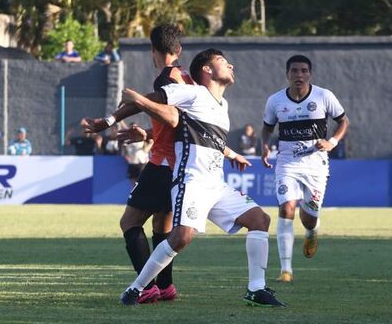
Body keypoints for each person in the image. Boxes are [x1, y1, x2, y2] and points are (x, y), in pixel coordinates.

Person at [118, 48, 286, 307]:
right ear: (207, 70)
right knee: (182, 237)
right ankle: (136, 288)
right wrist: (129, 106)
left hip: (216, 185)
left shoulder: (223, 105)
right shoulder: (194, 93)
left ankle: (256, 288)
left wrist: (230, 153)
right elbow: (159, 100)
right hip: (191, 181)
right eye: (222, 61)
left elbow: (205, 136)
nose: (231, 65)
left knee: (259, 219)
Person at [82, 23, 194, 304]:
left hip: (163, 163)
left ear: (152, 51)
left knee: (129, 222)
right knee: (162, 227)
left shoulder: (167, 78)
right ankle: (166, 286)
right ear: (178, 50)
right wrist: (145, 131)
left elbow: (171, 117)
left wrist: (126, 110)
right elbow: (173, 119)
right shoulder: (186, 78)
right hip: (180, 163)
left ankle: (146, 286)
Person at [261, 54, 349, 283]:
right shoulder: (275, 101)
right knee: (287, 208)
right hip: (287, 163)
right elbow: (267, 128)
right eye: (294, 71)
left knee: (309, 218)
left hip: (315, 165)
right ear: (287, 74)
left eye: (303, 71)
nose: (299, 75)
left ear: (310, 74)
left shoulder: (323, 96)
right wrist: (263, 146)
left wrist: (332, 142)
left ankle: (311, 233)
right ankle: (286, 270)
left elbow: (344, 121)